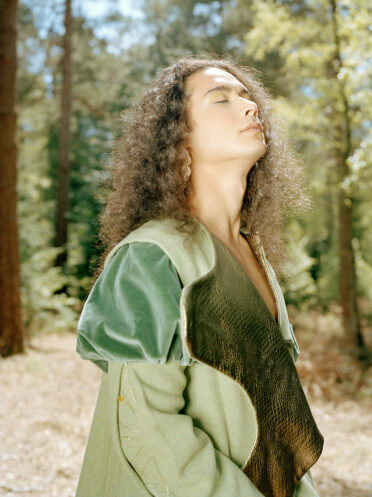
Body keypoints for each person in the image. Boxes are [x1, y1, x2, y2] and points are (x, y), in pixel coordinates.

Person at [75, 55, 324, 497]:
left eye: (249, 97)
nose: (251, 108)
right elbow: (149, 430)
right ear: (179, 137)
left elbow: (274, 427)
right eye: (221, 99)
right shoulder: (151, 257)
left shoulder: (256, 255)